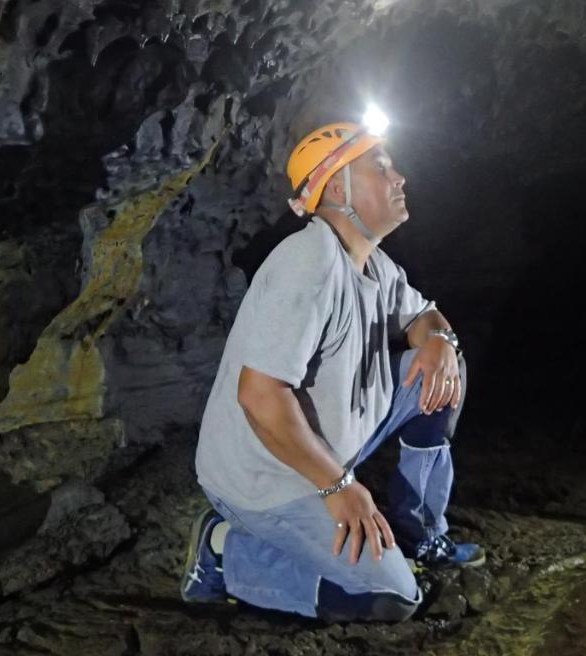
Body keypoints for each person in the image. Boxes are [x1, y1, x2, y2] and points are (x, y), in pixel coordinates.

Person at [181, 118, 484, 623]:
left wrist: (438, 339)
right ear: (338, 187)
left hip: (328, 443)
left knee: (446, 371)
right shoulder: (308, 261)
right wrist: (339, 488)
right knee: (391, 598)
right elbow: (259, 396)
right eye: (381, 167)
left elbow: (423, 316)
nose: (399, 178)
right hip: (267, 476)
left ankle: (419, 536)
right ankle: (223, 550)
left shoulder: (374, 264)